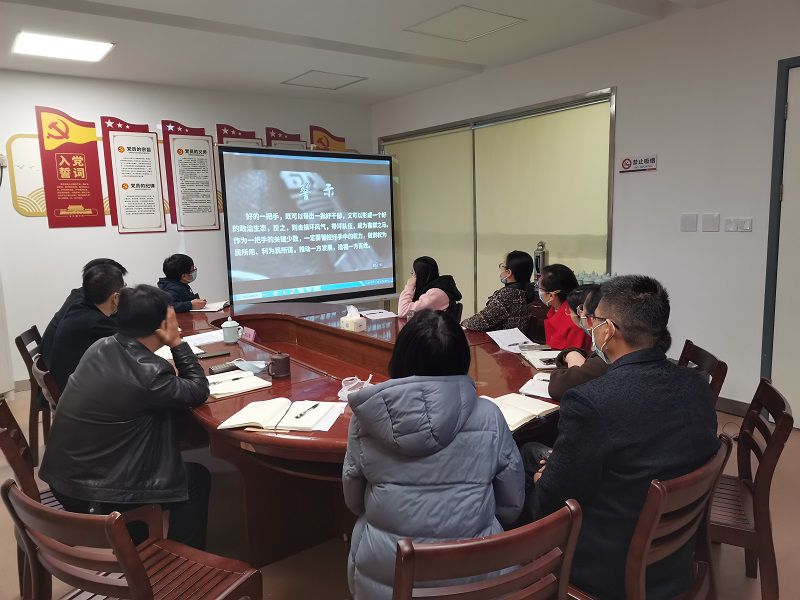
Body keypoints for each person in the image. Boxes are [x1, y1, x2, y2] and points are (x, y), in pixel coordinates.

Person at [522, 275, 719, 600]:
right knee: (535, 455)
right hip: (675, 556)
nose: (591, 326)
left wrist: (547, 479)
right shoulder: (696, 384)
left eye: (595, 319)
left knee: (519, 487)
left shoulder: (591, 401)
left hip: (609, 566)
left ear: (609, 330)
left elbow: (551, 502)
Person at [343, 310, 525, 599]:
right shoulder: (489, 416)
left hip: (389, 576)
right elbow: (511, 503)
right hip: (477, 577)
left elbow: (353, 500)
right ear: (462, 359)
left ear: (400, 358)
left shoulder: (364, 420)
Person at [39, 285, 211, 550]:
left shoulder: (101, 346)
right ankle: (181, 556)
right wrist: (177, 343)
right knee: (196, 478)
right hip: (96, 494)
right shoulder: (149, 373)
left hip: (64, 478)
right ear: (164, 325)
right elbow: (198, 390)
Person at [48, 264, 125, 391]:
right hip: (76, 394)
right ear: (115, 297)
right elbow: (134, 344)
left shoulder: (79, 308)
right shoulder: (97, 323)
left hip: (67, 383)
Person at [40, 258, 127, 364]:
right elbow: (125, 337)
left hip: (56, 359)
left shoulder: (82, 301)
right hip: (54, 363)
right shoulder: (91, 317)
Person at [547, 284, 608, 401]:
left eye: (584, 313)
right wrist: (572, 353)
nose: (589, 321)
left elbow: (558, 386)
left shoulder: (608, 357)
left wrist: (571, 355)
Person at [461, 250, 535, 331]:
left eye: (503, 266)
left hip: (500, 338)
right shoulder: (527, 291)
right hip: (517, 337)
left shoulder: (508, 294)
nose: (501, 269)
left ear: (508, 272)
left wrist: (463, 323)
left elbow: (481, 322)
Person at [537, 264, 589, 351]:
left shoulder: (574, 320)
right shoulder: (554, 310)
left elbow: (574, 355)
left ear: (551, 295)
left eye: (539, 288)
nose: (538, 291)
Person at [397, 256, 462, 318]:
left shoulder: (436, 294)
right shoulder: (431, 287)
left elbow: (403, 311)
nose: (412, 277)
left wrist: (409, 287)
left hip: (437, 326)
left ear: (420, 275)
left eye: (413, 273)